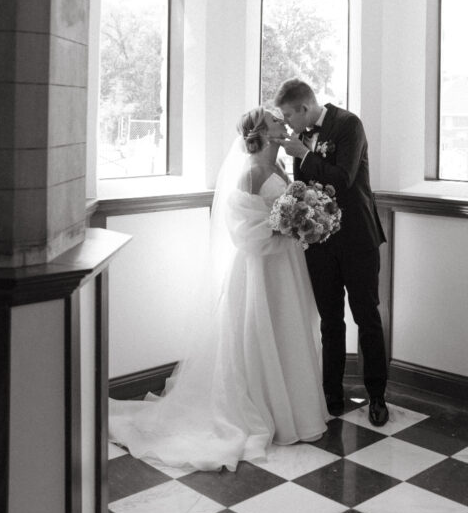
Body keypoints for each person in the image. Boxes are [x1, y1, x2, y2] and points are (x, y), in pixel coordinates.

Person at [108, 107, 329, 470]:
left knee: (287, 330)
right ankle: (264, 409)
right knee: (259, 334)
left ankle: (291, 407)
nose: (283, 123)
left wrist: (307, 223)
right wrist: (285, 229)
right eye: (275, 120)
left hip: (286, 265)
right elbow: (244, 231)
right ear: (263, 131)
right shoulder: (252, 172)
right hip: (261, 269)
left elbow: (284, 211)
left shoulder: (279, 168)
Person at [274, 78, 389, 427]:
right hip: (320, 243)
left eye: (288, 116)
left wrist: (304, 155)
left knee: (366, 317)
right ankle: (331, 394)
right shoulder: (302, 137)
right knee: (330, 321)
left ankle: (377, 396)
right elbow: (305, 187)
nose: (287, 123)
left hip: (357, 240)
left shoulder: (349, 124)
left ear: (304, 107)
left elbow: (343, 179)